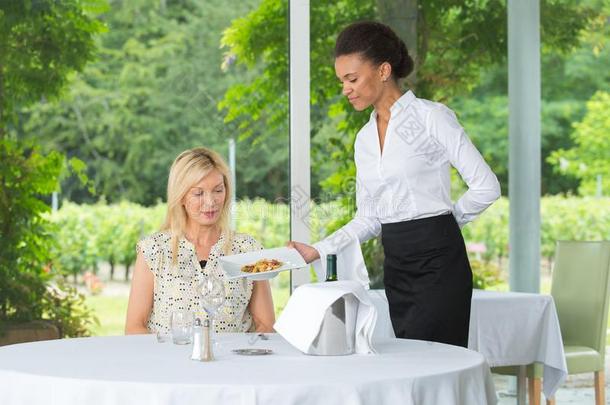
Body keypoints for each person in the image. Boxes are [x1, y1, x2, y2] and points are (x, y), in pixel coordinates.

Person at [289, 21, 500, 347]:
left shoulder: (432, 118)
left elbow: (486, 186)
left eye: (352, 79)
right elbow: (369, 218)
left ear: (384, 70)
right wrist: (319, 249)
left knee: (437, 365)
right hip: (397, 264)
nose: (345, 88)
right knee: (409, 363)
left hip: (440, 265)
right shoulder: (364, 140)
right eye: (342, 80)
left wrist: (445, 222)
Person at [125, 147, 275, 335]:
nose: (211, 202)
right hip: (168, 363)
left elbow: (266, 325)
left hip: (232, 363)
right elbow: (134, 326)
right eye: (198, 193)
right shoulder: (154, 250)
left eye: (218, 190)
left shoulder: (248, 250)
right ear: (180, 197)